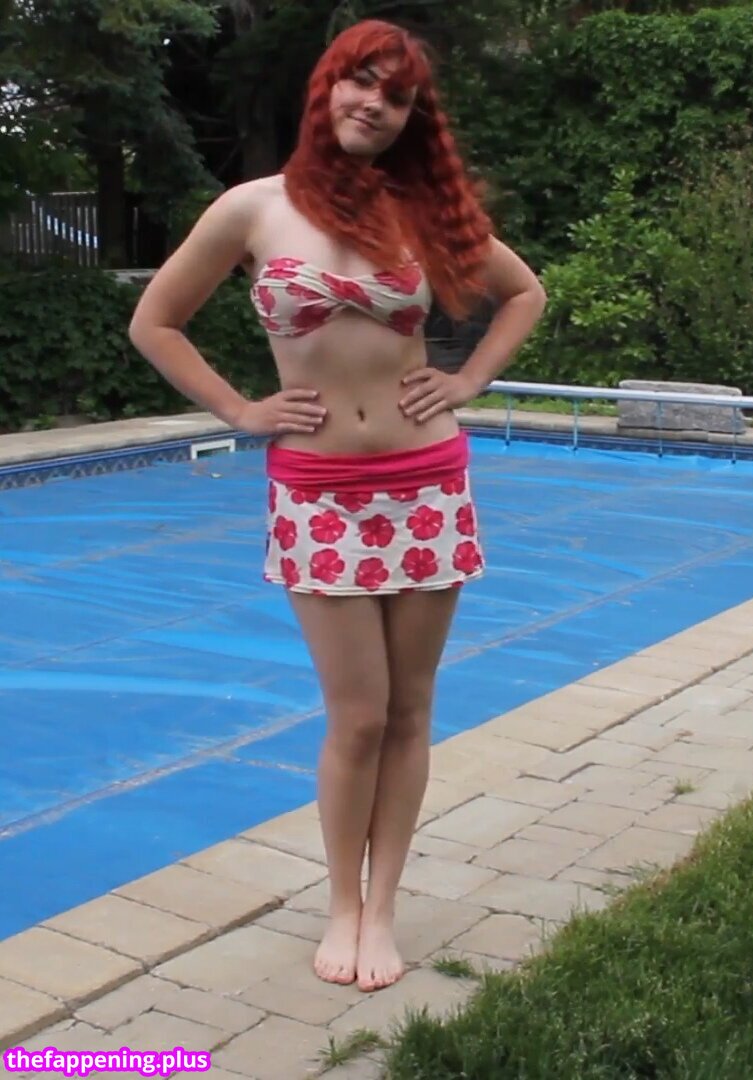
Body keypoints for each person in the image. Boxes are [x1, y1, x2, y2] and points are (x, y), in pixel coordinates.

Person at [129, 18, 546, 992]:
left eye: (395, 96)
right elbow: (156, 321)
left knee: (410, 711)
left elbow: (523, 293)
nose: (374, 104)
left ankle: (383, 908)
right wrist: (242, 410)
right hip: (318, 493)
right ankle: (342, 907)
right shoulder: (253, 209)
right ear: (327, 88)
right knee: (357, 716)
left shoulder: (422, 210)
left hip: (427, 482)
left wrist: (467, 379)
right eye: (361, 82)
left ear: (410, 117)